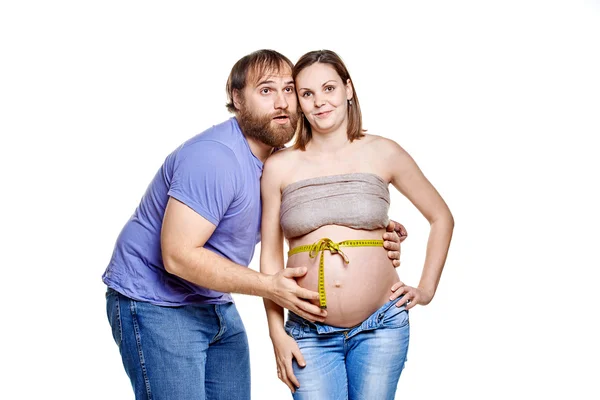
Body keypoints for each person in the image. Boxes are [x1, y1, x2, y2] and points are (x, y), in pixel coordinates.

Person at [102, 49, 405, 400]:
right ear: (237, 98)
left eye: (289, 90)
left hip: (212, 299)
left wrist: (366, 230)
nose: (281, 103)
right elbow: (178, 256)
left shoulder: (278, 162)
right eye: (265, 90)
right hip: (155, 301)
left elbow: (300, 223)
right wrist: (268, 286)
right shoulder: (215, 158)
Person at [260, 49, 454, 400]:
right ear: (299, 103)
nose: (320, 101)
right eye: (307, 94)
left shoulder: (384, 151)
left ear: (348, 89)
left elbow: (441, 217)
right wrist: (276, 332)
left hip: (382, 325)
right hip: (308, 331)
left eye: (329, 88)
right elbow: (271, 261)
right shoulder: (279, 166)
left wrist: (425, 290)